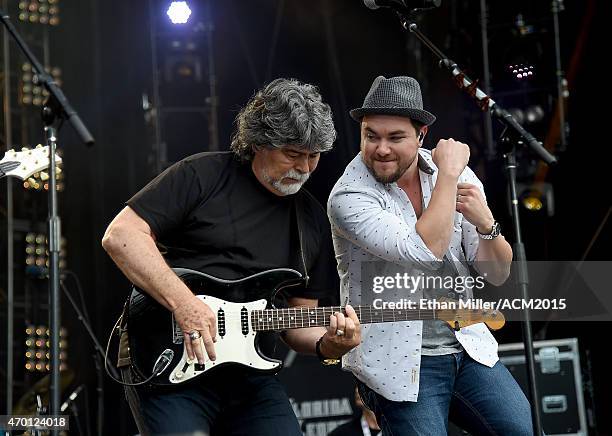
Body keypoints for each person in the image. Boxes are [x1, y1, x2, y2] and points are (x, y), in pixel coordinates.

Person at [102, 78, 361, 436]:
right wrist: (183, 303)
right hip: (170, 363)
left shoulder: (312, 220)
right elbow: (121, 236)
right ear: (258, 142)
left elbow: (297, 321)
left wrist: (328, 345)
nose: (304, 167)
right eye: (292, 153)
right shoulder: (201, 175)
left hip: (251, 380)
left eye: (313, 156)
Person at [327, 76, 533, 435]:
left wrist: (487, 224)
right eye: (370, 135)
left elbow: (498, 274)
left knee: (521, 430)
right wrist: (449, 175)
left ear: (421, 135)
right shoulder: (348, 196)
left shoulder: (453, 173)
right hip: (398, 363)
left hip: (468, 344)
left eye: (395, 137)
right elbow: (423, 251)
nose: (380, 149)